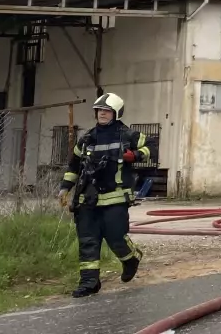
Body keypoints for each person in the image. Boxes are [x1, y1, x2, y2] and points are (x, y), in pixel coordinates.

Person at [58, 92, 150, 298]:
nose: (102, 114)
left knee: (115, 237)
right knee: (88, 240)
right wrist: (65, 187)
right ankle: (89, 282)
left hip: (116, 197)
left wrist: (134, 155)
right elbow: (74, 166)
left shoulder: (127, 136)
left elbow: (150, 147)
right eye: (99, 111)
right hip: (87, 199)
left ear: (116, 113)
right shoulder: (87, 139)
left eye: (107, 111)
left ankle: (131, 259)